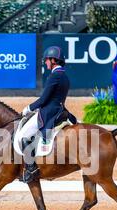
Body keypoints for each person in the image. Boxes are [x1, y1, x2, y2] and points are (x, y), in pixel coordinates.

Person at [19, 46, 76, 184]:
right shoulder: (65, 76)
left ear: (53, 60)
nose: (46, 63)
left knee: (24, 136)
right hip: (60, 110)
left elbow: (44, 100)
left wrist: (28, 108)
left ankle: (31, 170)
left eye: (47, 60)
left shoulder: (54, 76)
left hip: (49, 112)